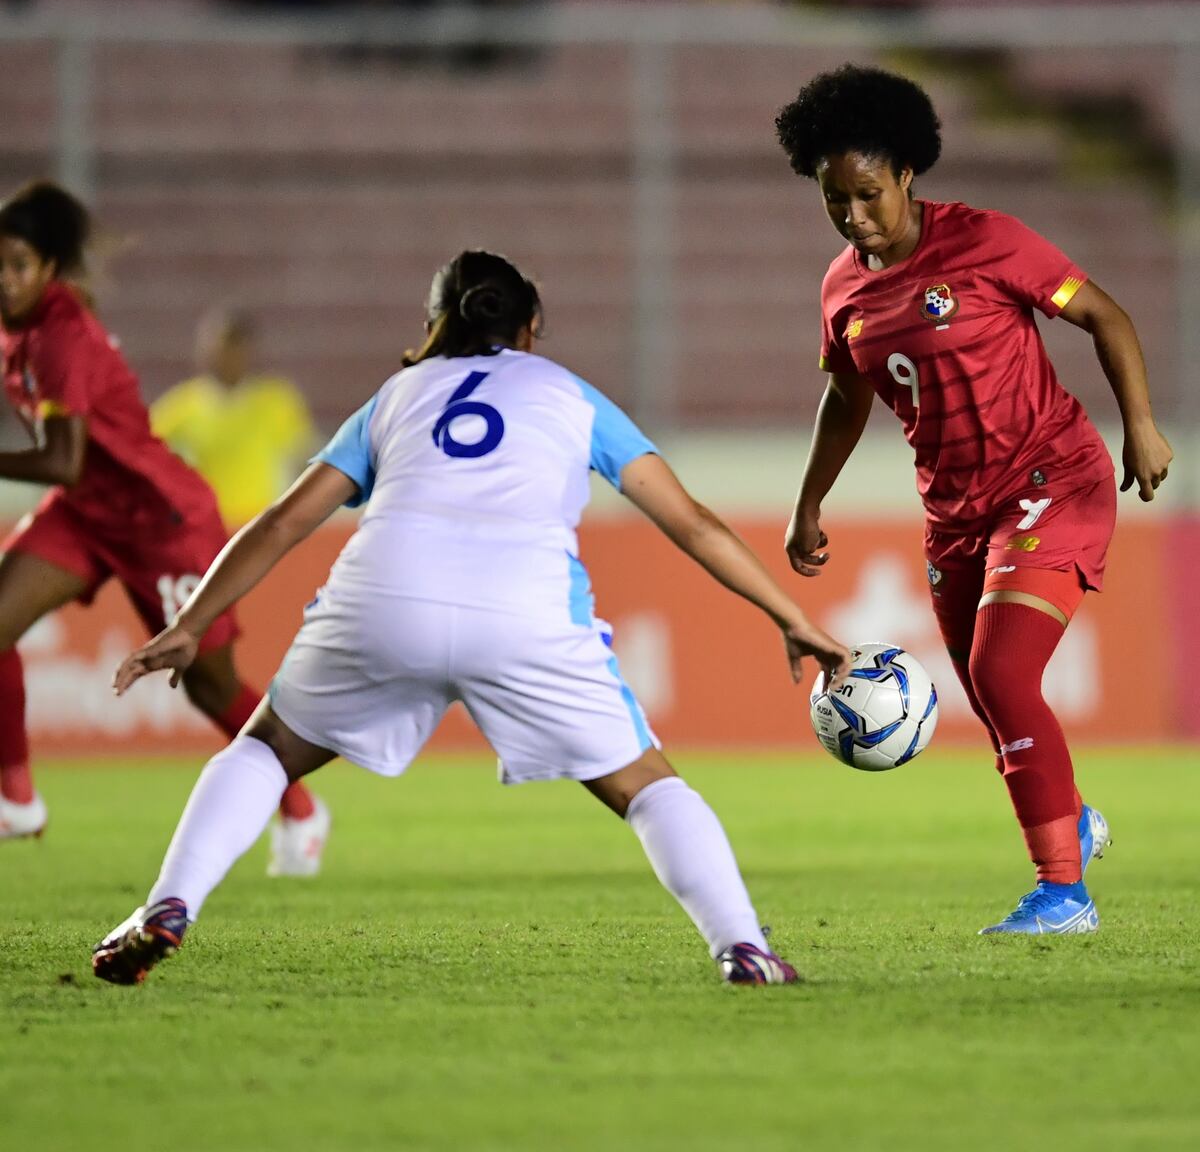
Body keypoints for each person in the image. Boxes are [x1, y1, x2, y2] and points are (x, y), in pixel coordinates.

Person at [92, 250, 848, 988]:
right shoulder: (571, 395)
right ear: (533, 325)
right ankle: (743, 947)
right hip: (523, 613)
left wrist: (190, 621)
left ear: (434, 323)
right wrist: (789, 615)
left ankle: (168, 903)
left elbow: (285, 521)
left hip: (384, 600)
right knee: (646, 785)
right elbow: (692, 523)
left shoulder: (396, 396)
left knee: (267, 749)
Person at [775, 65, 1173, 936]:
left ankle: (1064, 892)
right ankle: (1070, 819)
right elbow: (846, 399)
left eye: (868, 194)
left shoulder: (988, 241)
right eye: (834, 198)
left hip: (1052, 481)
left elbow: (1107, 316)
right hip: (954, 514)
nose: (854, 216)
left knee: (1003, 671)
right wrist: (810, 502)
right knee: (989, 696)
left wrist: (1138, 426)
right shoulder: (841, 289)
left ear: (908, 175)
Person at [0, 182, 330, 875]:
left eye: (19, 265)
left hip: (161, 522)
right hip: (87, 514)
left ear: (50, 269)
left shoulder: (62, 336)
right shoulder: (24, 322)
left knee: (212, 686)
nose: (5, 279)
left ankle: (300, 804)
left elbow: (61, 458)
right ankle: (17, 796)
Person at [151, 309, 315, 532]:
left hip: (260, 528)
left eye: (231, 348)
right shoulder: (181, 407)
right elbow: (144, 454)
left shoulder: (276, 401)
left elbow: (304, 457)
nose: (223, 356)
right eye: (215, 347)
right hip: (208, 529)